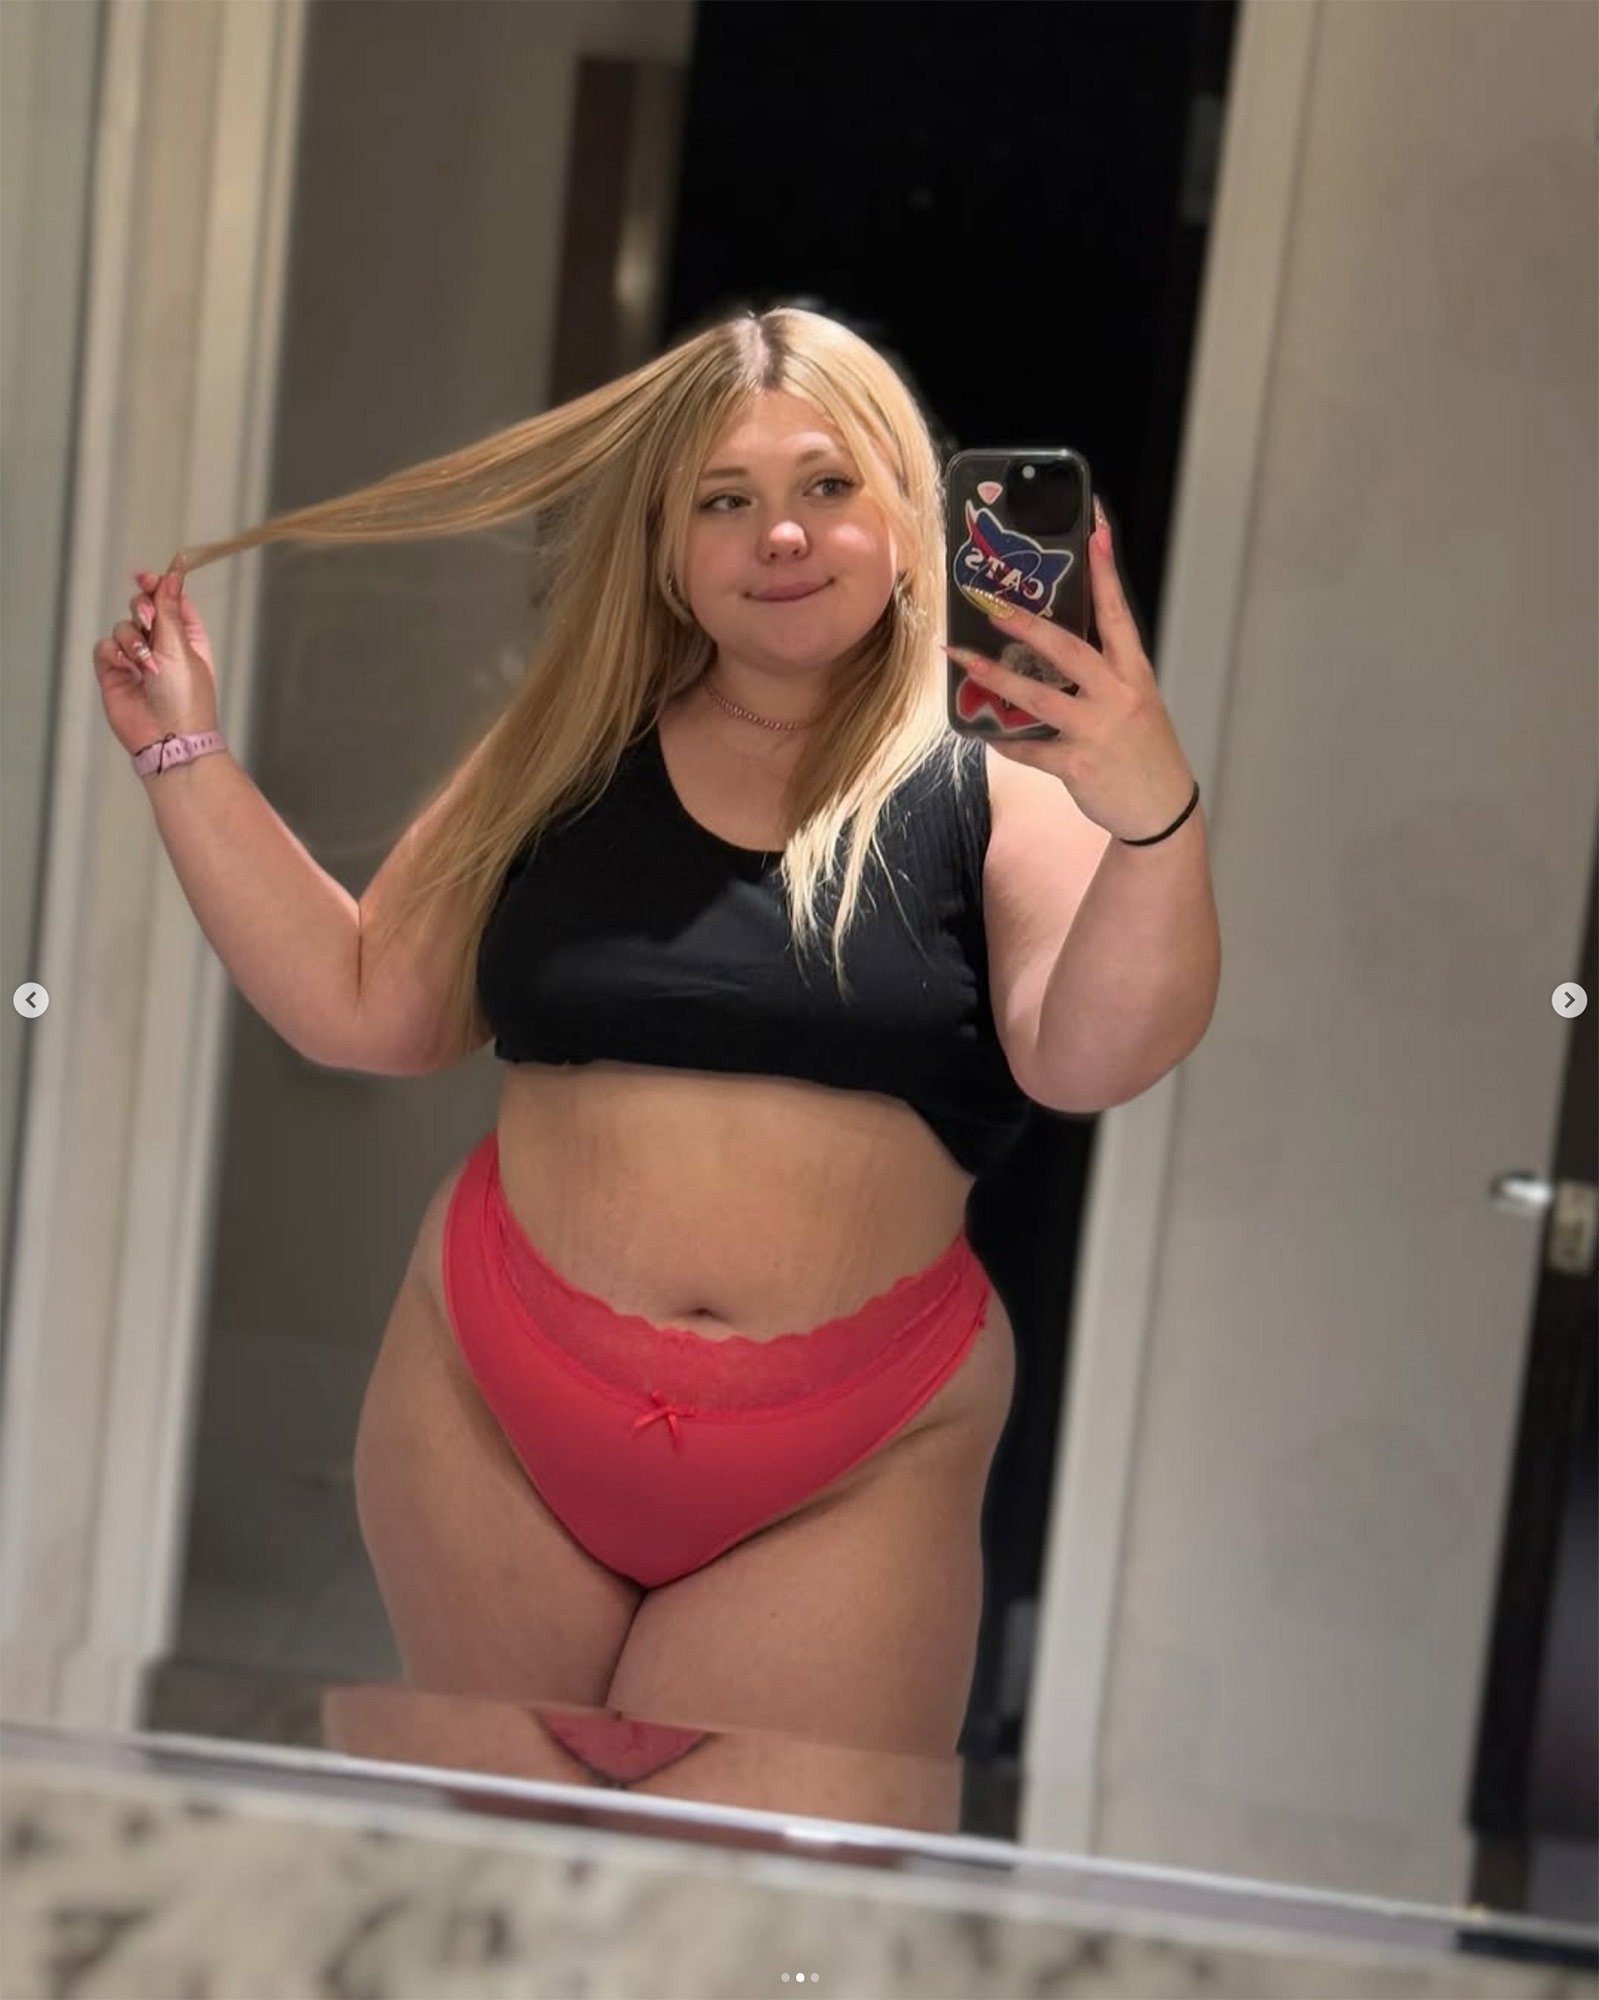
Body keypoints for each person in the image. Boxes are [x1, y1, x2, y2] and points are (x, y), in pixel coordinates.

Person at [94, 307, 1220, 1770]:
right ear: (670, 545)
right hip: (494, 1400)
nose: (781, 534)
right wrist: (178, 749)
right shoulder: (566, 746)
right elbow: (370, 1003)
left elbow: (1095, 1056)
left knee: (754, 1907)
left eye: (827, 485)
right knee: (511, 1887)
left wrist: (1153, 815)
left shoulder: (1003, 777)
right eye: (723, 500)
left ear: (909, 512)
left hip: (856, 1455)